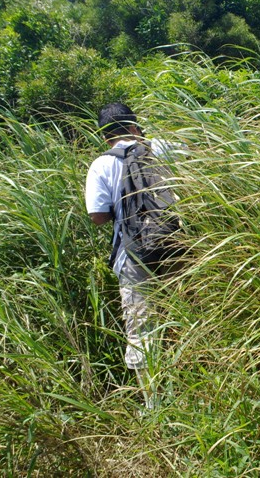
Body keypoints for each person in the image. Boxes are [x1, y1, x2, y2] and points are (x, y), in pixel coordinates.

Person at [85, 102, 175, 409]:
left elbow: (98, 216)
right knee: (184, 317)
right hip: (177, 246)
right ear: (135, 126)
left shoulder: (101, 164)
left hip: (134, 255)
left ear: (105, 136)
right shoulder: (163, 147)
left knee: (142, 330)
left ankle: (155, 406)